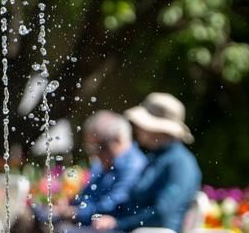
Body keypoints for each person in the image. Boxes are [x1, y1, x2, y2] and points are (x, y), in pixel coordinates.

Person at [92, 93, 201, 233]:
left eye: (142, 124)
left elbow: (162, 214)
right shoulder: (156, 157)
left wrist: (118, 223)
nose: (137, 128)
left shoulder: (180, 163)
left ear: (158, 129)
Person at [28, 111, 146, 232]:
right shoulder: (101, 164)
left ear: (117, 140)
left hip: (109, 226)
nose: (95, 154)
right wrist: (68, 203)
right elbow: (86, 197)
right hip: (87, 221)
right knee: (31, 216)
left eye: (99, 147)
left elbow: (112, 206)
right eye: (90, 149)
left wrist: (73, 212)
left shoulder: (134, 166)